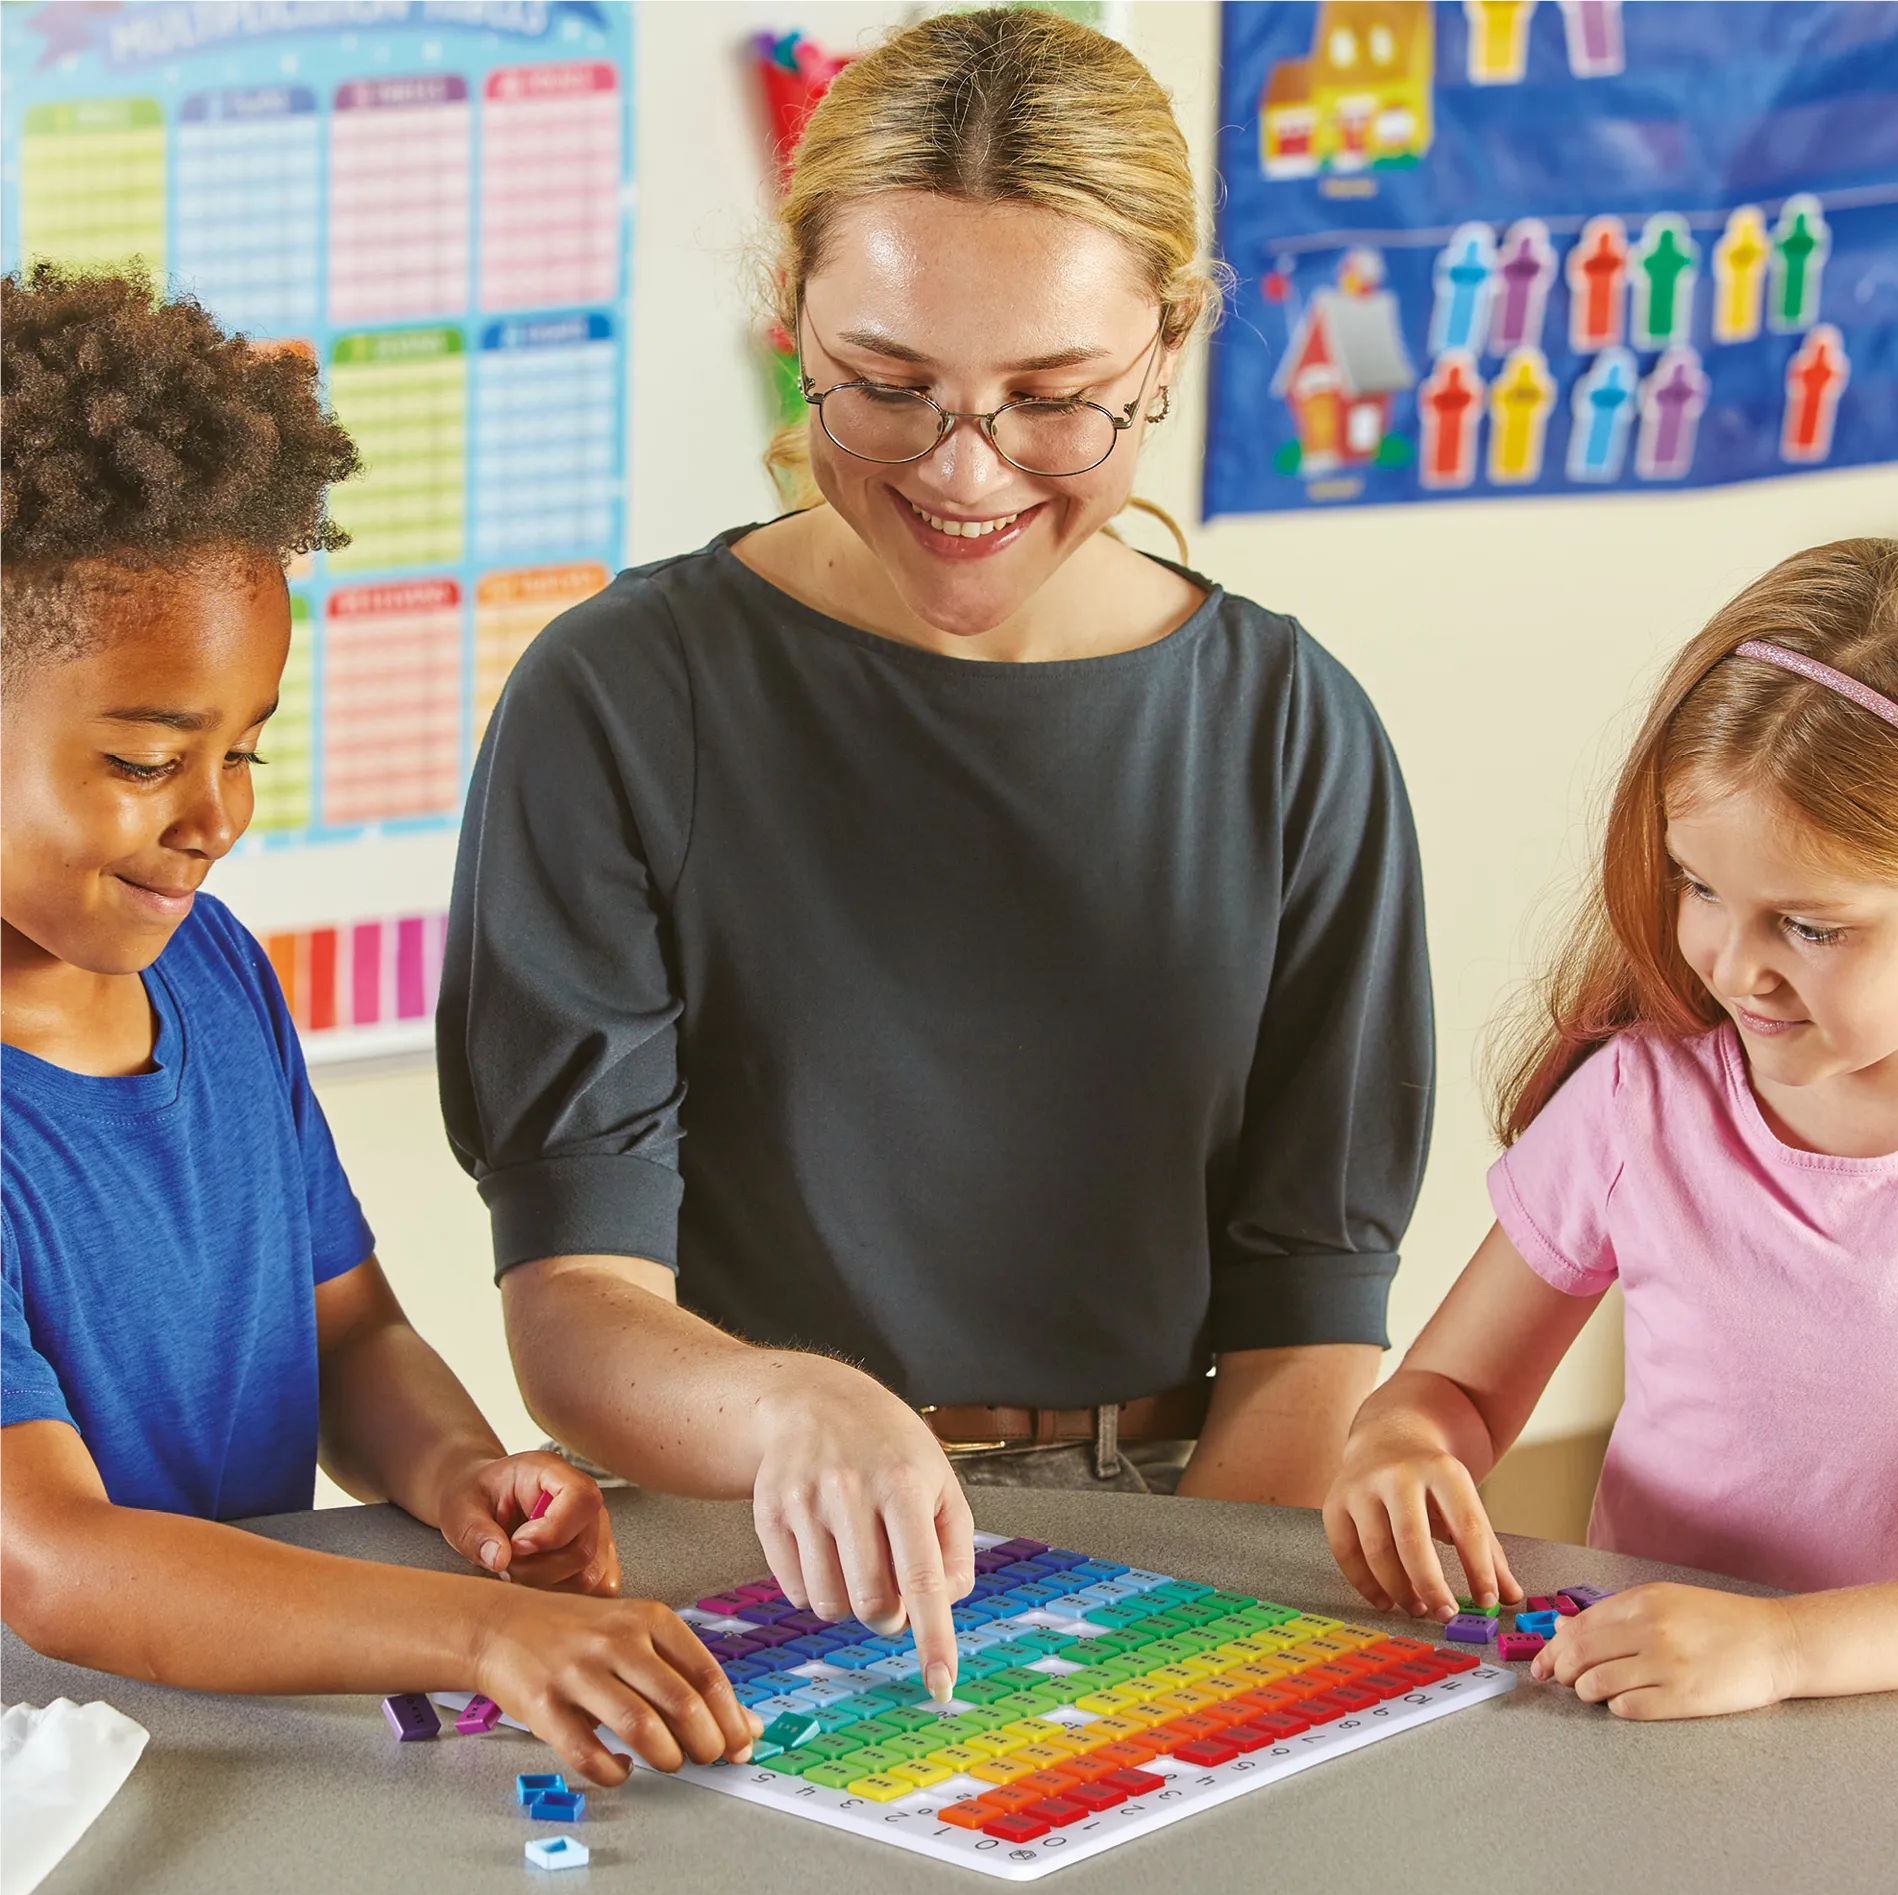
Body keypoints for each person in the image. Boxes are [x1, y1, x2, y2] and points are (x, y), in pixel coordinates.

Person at [440, 7, 1433, 1702]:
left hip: (1189, 1527)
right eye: (887, 387)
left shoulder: (1289, 729)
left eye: (1057, 405)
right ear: (794, 324)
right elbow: (576, 1312)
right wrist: (794, 1409)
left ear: (1172, 348)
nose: (963, 475)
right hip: (756, 1534)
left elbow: (1308, 1326)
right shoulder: (617, 698)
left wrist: (1157, 1640)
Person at [0, 266, 756, 1786]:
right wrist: (474, 1637)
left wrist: (465, 1476)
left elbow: (348, 1333)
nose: (217, 817)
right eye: (148, 760)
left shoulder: (210, 973)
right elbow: (55, 1564)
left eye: (247, 747)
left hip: (247, 1743)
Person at [1323, 539, 1898, 1718]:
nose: (1736, 968)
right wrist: (1401, 1442)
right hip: (1651, 1744)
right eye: (1698, 886)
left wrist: (1787, 1650)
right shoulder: (1638, 1107)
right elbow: (1458, 1385)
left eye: (1809, 926)